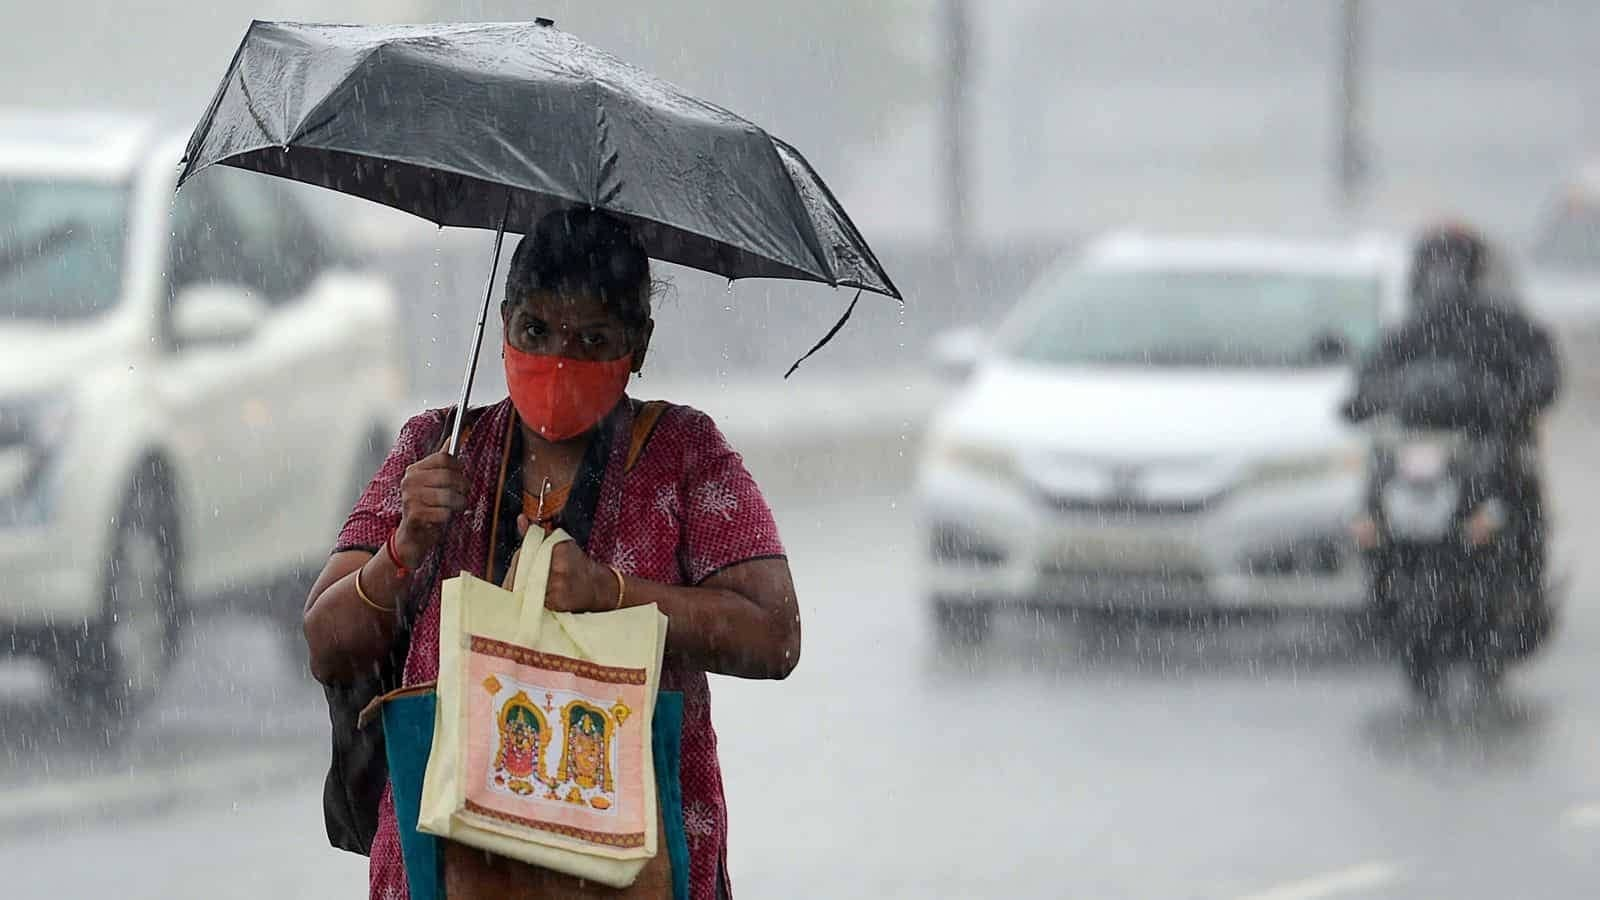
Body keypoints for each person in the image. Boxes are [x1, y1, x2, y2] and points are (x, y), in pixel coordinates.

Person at [303, 208, 801, 900]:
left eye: (593, 339)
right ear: (502, 321)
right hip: (448, 865)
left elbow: (775, 634)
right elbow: (326, 643)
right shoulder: (436, 449)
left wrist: (612, 594)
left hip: (633, 864)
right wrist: (404, 545)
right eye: (535, 331)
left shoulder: (684, 456)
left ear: (640, 344)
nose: (560, 360)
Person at [1344, 224, 1559, 619]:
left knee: (1520, 497)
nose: (1444, 274)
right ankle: (1384, 590)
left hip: (1488, 444)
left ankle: (1521, 599)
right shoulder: (1409, 330)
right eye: (1436, 262)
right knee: (1372, 509)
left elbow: (1542, 371)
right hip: (1425, 448)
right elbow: (1369, 381)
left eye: (1452, 262)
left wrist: (1518, 400)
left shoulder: (1503, 324)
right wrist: (1363, 400)